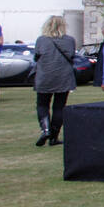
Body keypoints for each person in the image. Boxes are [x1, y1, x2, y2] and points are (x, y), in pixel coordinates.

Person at [32, 15, 77, 146]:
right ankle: (54, 135)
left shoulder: (41, 40)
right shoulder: (69, 40)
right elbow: (72, 55)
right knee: (59, 106)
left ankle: (45, 129)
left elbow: (36, 57)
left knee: (42, 104)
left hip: (45, 76)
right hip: (63, 76)